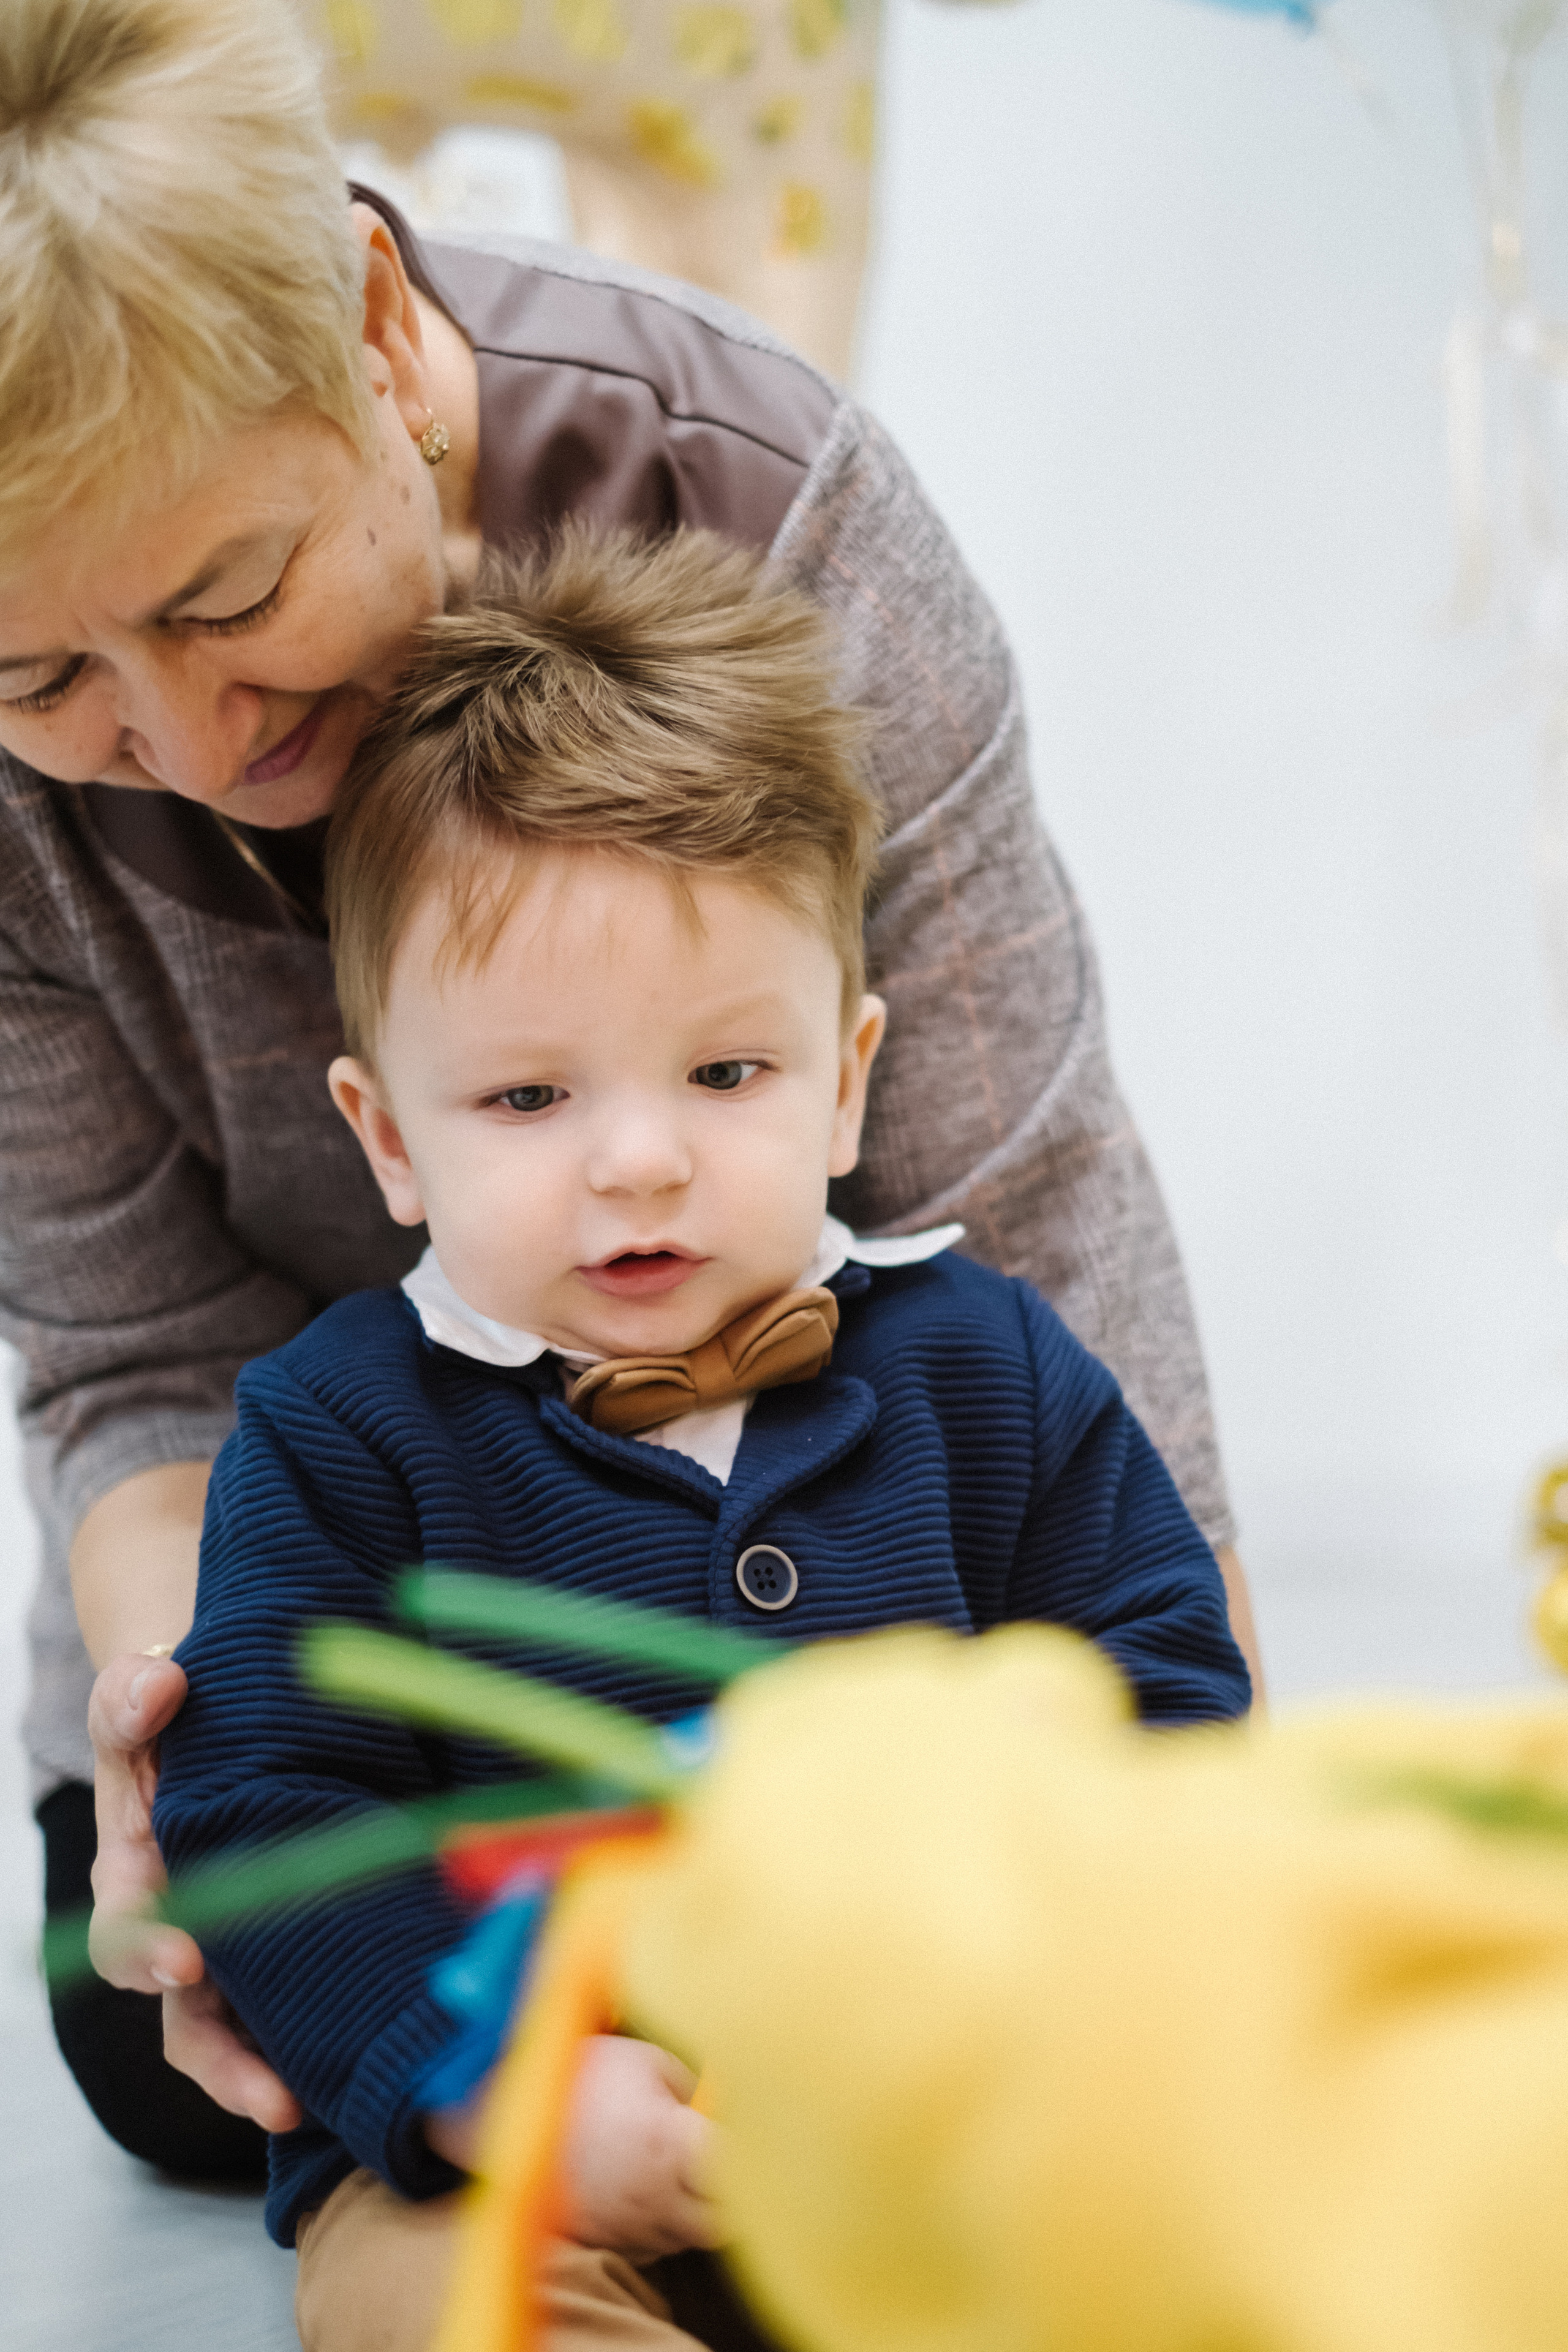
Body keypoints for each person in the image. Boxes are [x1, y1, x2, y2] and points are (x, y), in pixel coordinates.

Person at [0, 0, 1259, 2187]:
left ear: (376, 334)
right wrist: (216, 1804)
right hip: (363, 1676)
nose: (188, 749)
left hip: (872, 1771)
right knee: (186, 2057)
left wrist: (1192, 1916)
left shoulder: (788, 522)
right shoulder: (333, 1438)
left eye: (234, 594)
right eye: (35, 675)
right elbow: (141, 1366)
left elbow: (1047, 1237)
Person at [151, 525, 1250, 2352]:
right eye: (528, 1095)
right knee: (453, 2306)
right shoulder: (339, 1429)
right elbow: (271, 1816)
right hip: (516, 2138)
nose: (643, 1159)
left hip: (953, 2100)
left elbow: (1165, 1687)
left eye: (727, 1074)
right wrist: (496, 2082)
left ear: (849, 1080)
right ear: (390, 1136)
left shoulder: (993, 1369)